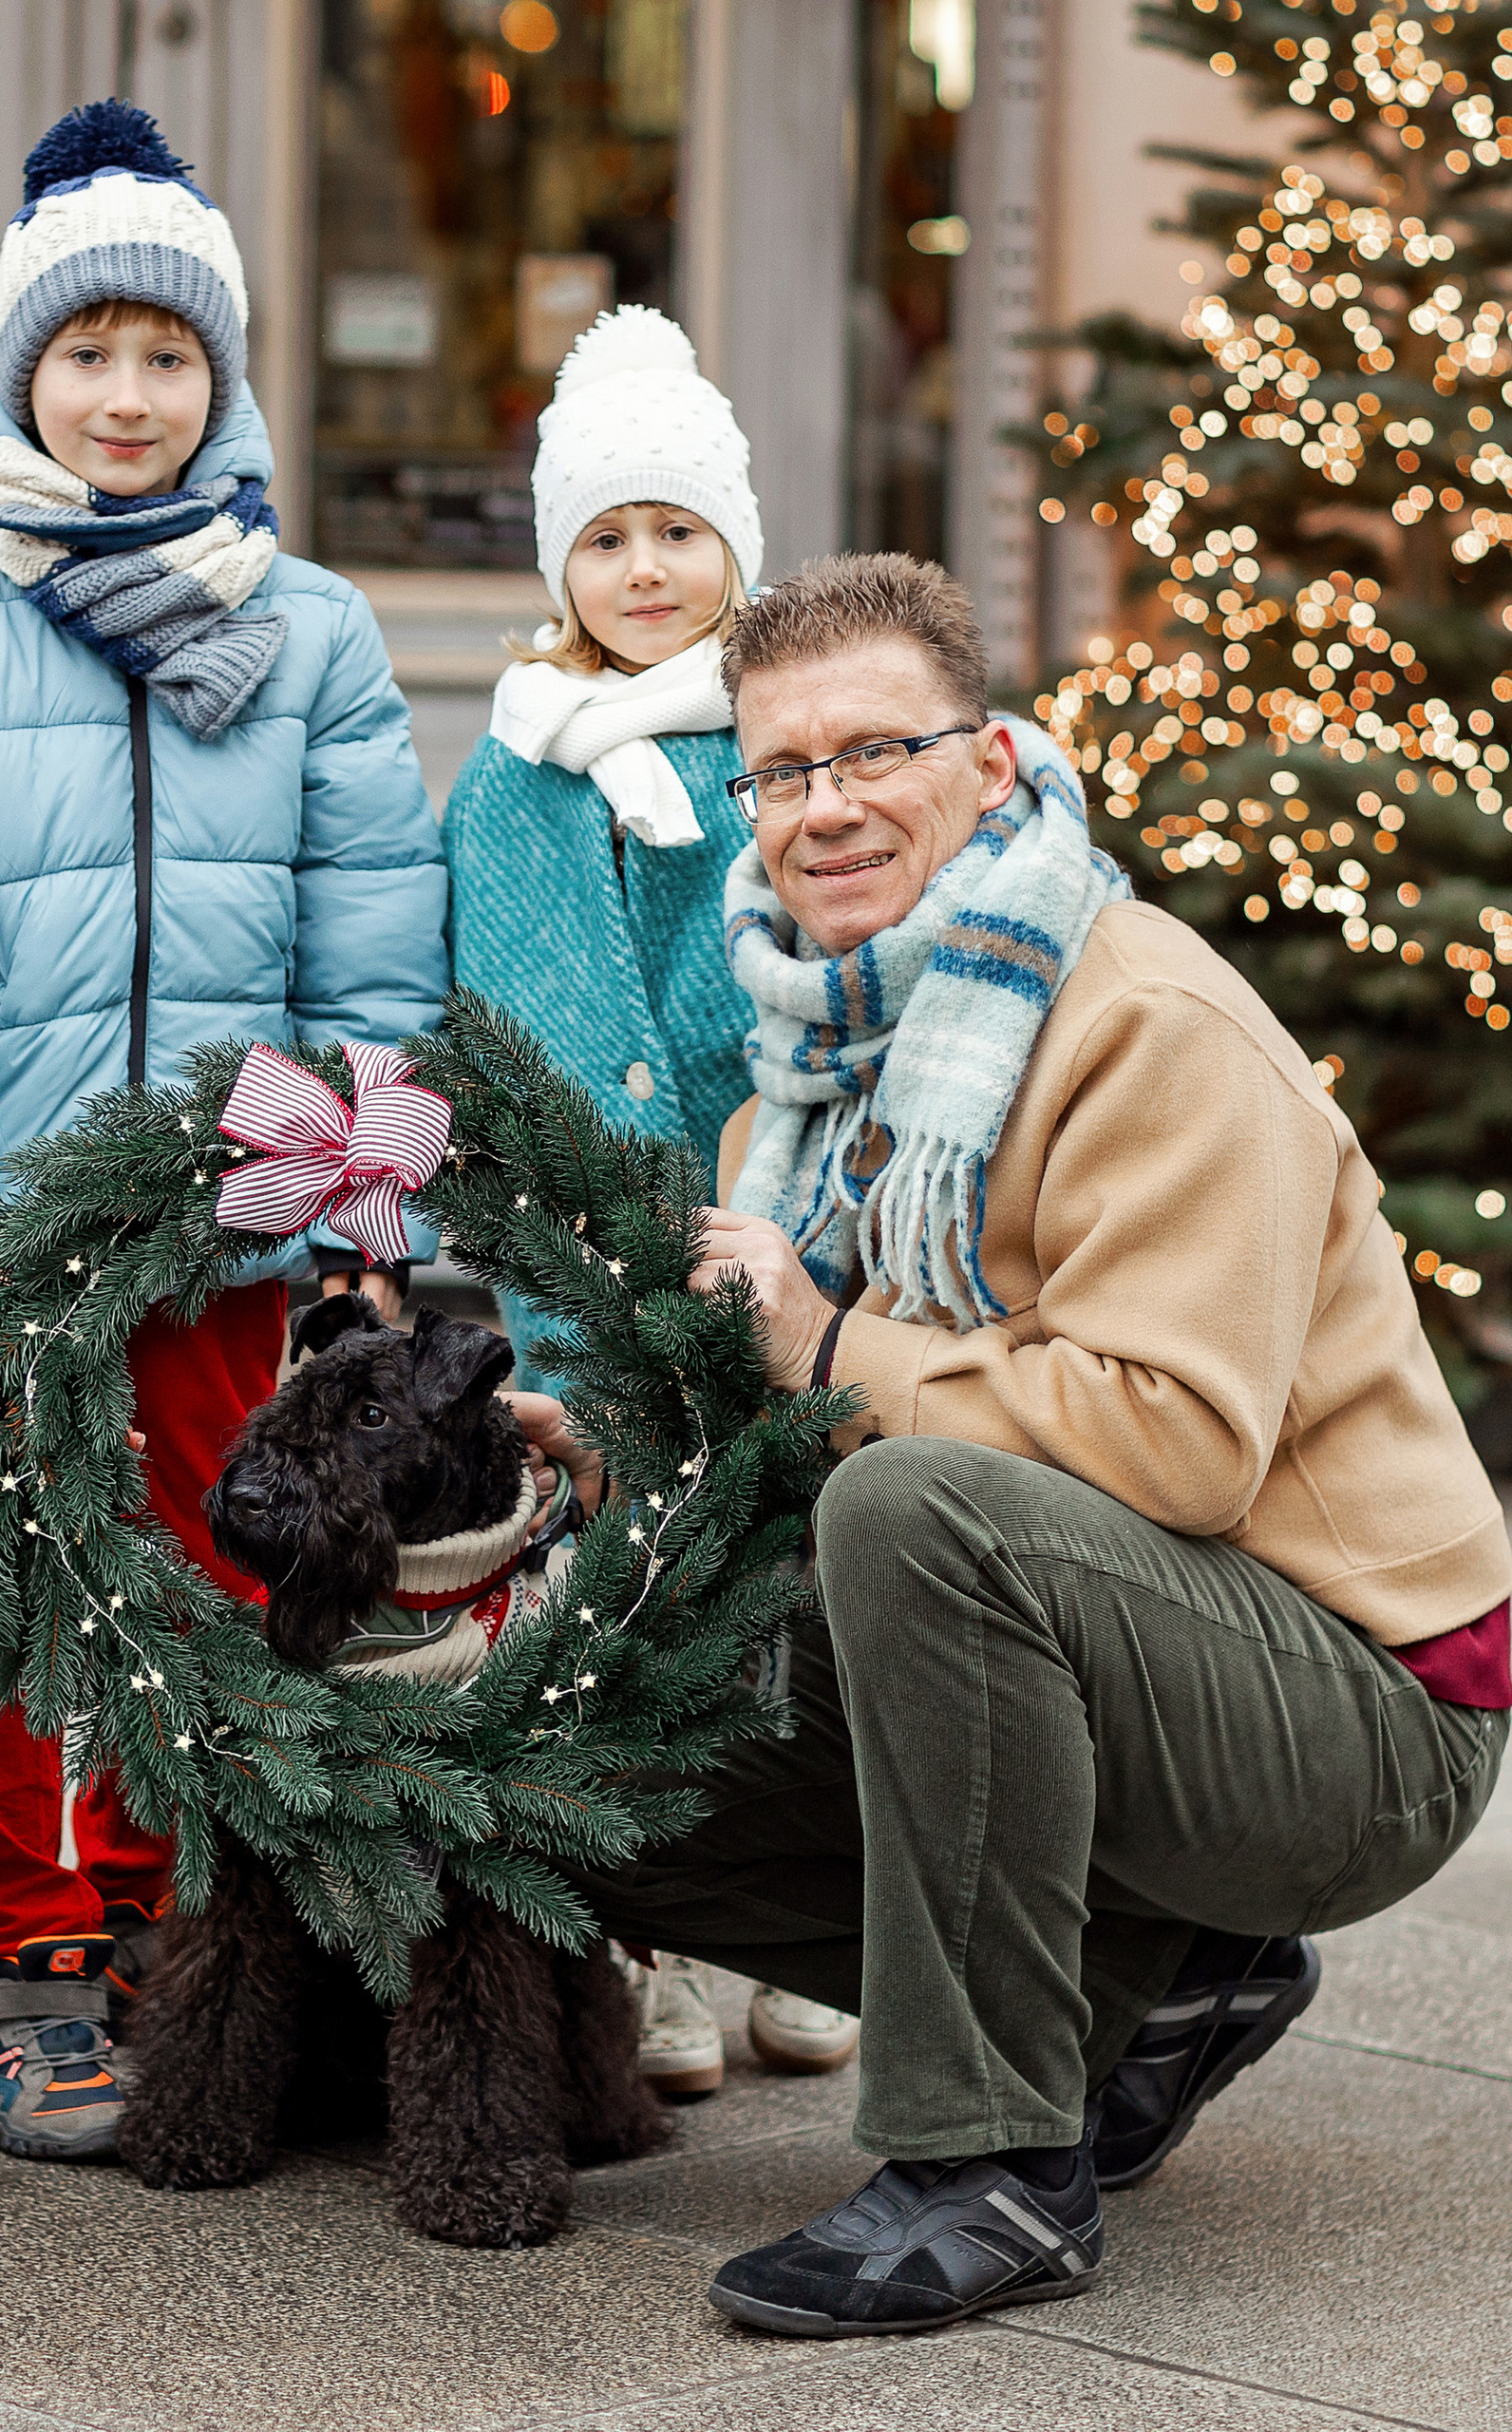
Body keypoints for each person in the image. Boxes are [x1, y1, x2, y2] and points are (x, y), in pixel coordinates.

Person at [569, 552, 1508, 2336]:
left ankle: (989, 2163)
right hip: (1127, 1644)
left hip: (1370, 1705)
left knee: (923, 1508)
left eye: (875, 753)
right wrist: (614, 1444)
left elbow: (1173, 1453)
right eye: (780, 772)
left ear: (991, 765)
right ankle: (1162, 1979)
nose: (823, 808)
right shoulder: (816, 1063)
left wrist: (821, 1344)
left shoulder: (1142, 1022)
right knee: (598, 1783)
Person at [0, 100, 448, 2163]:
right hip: (10, 1214)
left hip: (249, 1212)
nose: (122, 393)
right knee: (15, 1581)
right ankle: (33, 1962)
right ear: (20, 370)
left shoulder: (311, 628)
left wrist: (364, 1181)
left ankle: (195, 1947)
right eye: (81, 352)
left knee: (224, 1565)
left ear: (223, 378)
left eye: (164, 355)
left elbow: (370, 944)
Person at [442, 303, 858, 2100]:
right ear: (561, 563)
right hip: (577, 1244)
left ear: (735, 551)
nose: (643, 567)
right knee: (611, 1582)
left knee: (783, 1575)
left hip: (760, 1215)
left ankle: (819, 1926)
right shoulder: (513, 767)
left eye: (677, 531)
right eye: (605, 537)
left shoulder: (778, 749)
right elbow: (473, 992)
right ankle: (652, 1943)